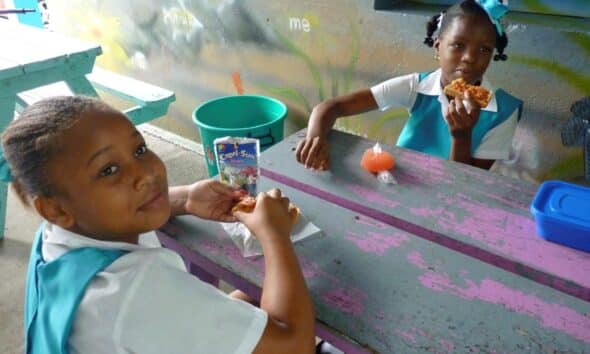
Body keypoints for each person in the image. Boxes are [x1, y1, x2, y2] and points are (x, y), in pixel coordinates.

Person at [0, 96, 315, 354]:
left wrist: (186, 198)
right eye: (108, 170)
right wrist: (274, 235)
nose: (147, 174)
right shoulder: (134, 291)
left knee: (247, 298)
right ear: (55, 208)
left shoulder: (55, 236)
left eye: (139, 150)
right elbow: (294, 346)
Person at [296, 0, 522, 171]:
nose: (470, 58)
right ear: (437, 47)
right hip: (401, 185)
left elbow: (462, 188)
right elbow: (331, 107)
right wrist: (315, 138)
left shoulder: (503, 111)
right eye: (458, 45)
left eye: (484, 50)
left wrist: (462, 137)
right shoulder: (416, 86)